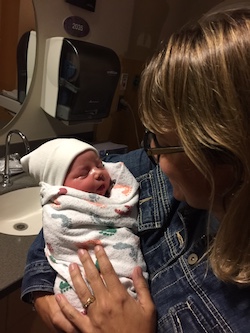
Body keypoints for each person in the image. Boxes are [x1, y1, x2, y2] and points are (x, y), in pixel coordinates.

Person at [21, 4, 250, 333]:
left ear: (226, 155)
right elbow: (65, 208)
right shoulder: (152, 172)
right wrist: (43, 292)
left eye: (162, 140)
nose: (152, 153)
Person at [20, 138, 147, 314]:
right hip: (81, 275)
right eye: (83, 173)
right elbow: (58, 234)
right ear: (61, 188)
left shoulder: (116, 191)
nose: (98, 173)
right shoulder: (61, 208)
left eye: (100, 165)